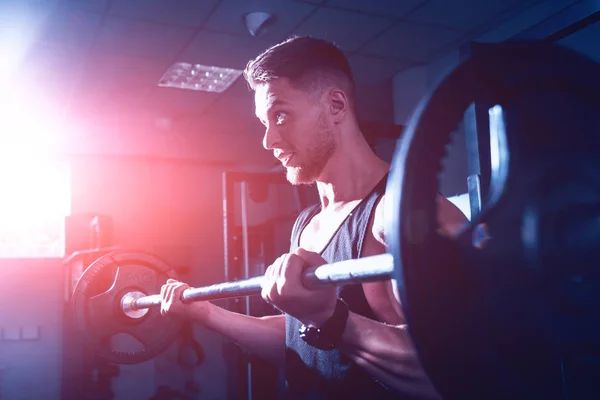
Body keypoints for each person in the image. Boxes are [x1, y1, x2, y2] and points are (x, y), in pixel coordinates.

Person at [160, 36, 467, 399]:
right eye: (264, 122)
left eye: (281, 115)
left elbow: (455, 373)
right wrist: (206, 315)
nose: (268, 140)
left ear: (336, 105)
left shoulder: (398, 215)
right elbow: (299, 343)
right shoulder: (307, 224)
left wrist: (330, 319)